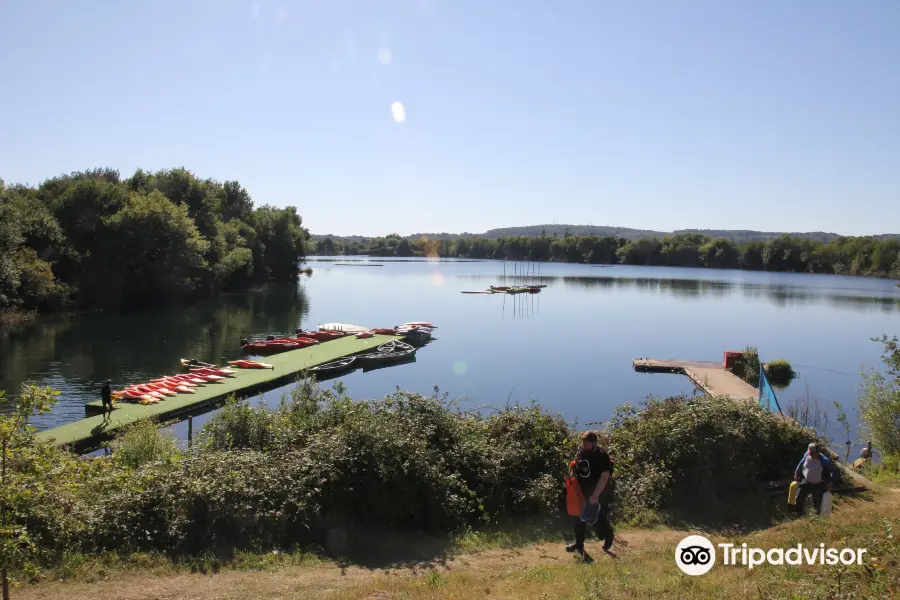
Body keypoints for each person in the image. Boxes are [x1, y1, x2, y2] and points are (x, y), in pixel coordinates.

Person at [565, 431, 614, 558]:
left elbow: (605, 476)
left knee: (600, 519)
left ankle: (609, 535)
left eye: (587, 443)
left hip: (600, 492)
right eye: (583, 442)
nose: (584, 445)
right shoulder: (582, 452)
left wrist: (596, 495)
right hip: (583, 491)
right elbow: (577, 468)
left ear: (594, 443)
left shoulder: (602, 455)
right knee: (578, 518)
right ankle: (579, 545)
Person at [794, 442, 835, 516]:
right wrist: (796, 473)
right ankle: (800, 515)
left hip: (818, 484)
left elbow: (833, 471)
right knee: (798, 497)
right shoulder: (807, 455)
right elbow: (801, 463)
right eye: (810, 453)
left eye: (813, 453)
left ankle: (817, 518)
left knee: (817, 503)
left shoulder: (824, 461)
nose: (811, 455)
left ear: (818, 452)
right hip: (806, 481)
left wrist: (830, 483)